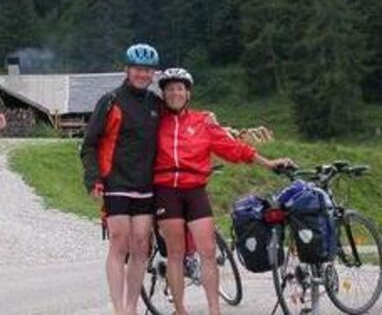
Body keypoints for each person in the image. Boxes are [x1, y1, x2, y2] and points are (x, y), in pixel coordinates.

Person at [153, 68, 294, 315]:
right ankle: (180, 310)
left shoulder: (202, 122)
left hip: (195, 190)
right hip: (166, 190)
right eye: (170, 89)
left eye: (179, 88)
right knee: (175, 253)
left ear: (188, 93)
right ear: (163, 93)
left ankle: (214, 309)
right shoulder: (155, 121)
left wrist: (269, 162)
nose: (175, 93)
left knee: (207, 251)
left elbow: (235, 148)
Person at [80, 43, 161, 315]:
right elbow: (89, 144)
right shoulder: (111, 101)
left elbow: (178, 125)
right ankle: (119, 309)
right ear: (127, 70)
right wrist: (93, 180)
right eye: (137, 69)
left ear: (153, 74)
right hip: (115, 183)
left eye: (147, 70)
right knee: (119, 241)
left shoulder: (155, 104)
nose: (142, 74)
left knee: (141, 245)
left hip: (146, 186)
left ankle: (132, 305)